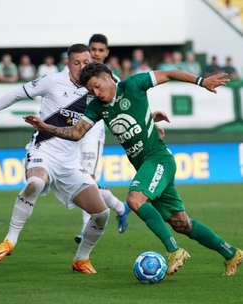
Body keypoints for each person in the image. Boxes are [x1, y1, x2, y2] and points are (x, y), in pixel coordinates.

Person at [24, 63, 243, 277]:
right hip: (145, 166)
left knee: (135, 200)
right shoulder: (96, 107)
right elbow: (76, 133)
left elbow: (169, 73)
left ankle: (175, 251)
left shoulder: (134, 85)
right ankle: (232, 253)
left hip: (159, 159)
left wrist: (202, 81)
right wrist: (45, 127)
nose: (96, 92)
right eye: (91, 90)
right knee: (181, 223)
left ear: (109, 77)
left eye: (97, 86)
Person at [0, 44, 111, 275]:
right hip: (44, 151)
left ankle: (81, 259)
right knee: (36, 183)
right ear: (68, 63)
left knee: (101, 213)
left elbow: (125, 105)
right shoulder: (52, 81)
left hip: (70, 163)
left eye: (86, 62)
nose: (83, 66)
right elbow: (15, 93)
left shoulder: (96, 88)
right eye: (77, 63)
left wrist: (150, 122)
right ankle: (10, 241)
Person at [73, 34, 129, 245]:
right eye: (93, 49)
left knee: (87, 181)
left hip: (93, 133)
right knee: (76, 182)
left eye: (100, 50)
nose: (96, 53)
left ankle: (86, 229)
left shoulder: (111, 78)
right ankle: (119, 207)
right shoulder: (75, 74)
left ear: (106, 53)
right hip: (73, 133)